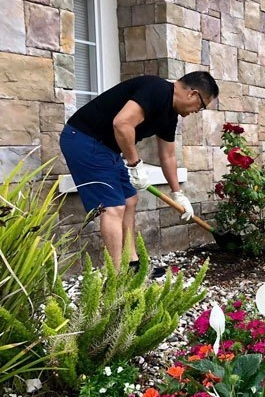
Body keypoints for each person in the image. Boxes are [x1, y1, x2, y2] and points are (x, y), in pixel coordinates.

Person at [60, 72, 219, 272]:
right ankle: (118, 278)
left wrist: (177, 193)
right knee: (113, 208)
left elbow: (167, 156)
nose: (198, 111)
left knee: (130, 200)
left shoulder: (170, 114)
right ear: (193, 94)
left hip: (108, 149)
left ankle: (132, 264)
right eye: (201, 106)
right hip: (83, 140)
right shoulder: (157, 89)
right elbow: (122, 124)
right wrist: (135, 164)